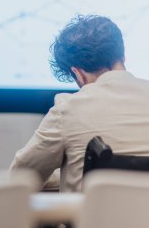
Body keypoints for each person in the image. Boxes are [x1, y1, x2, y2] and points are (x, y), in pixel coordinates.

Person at [10, 15, 149, 192]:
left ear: (78, 74)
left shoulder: (68, 108)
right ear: (122, 56)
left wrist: (63, 175)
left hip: (96, 219)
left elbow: (21, 178)